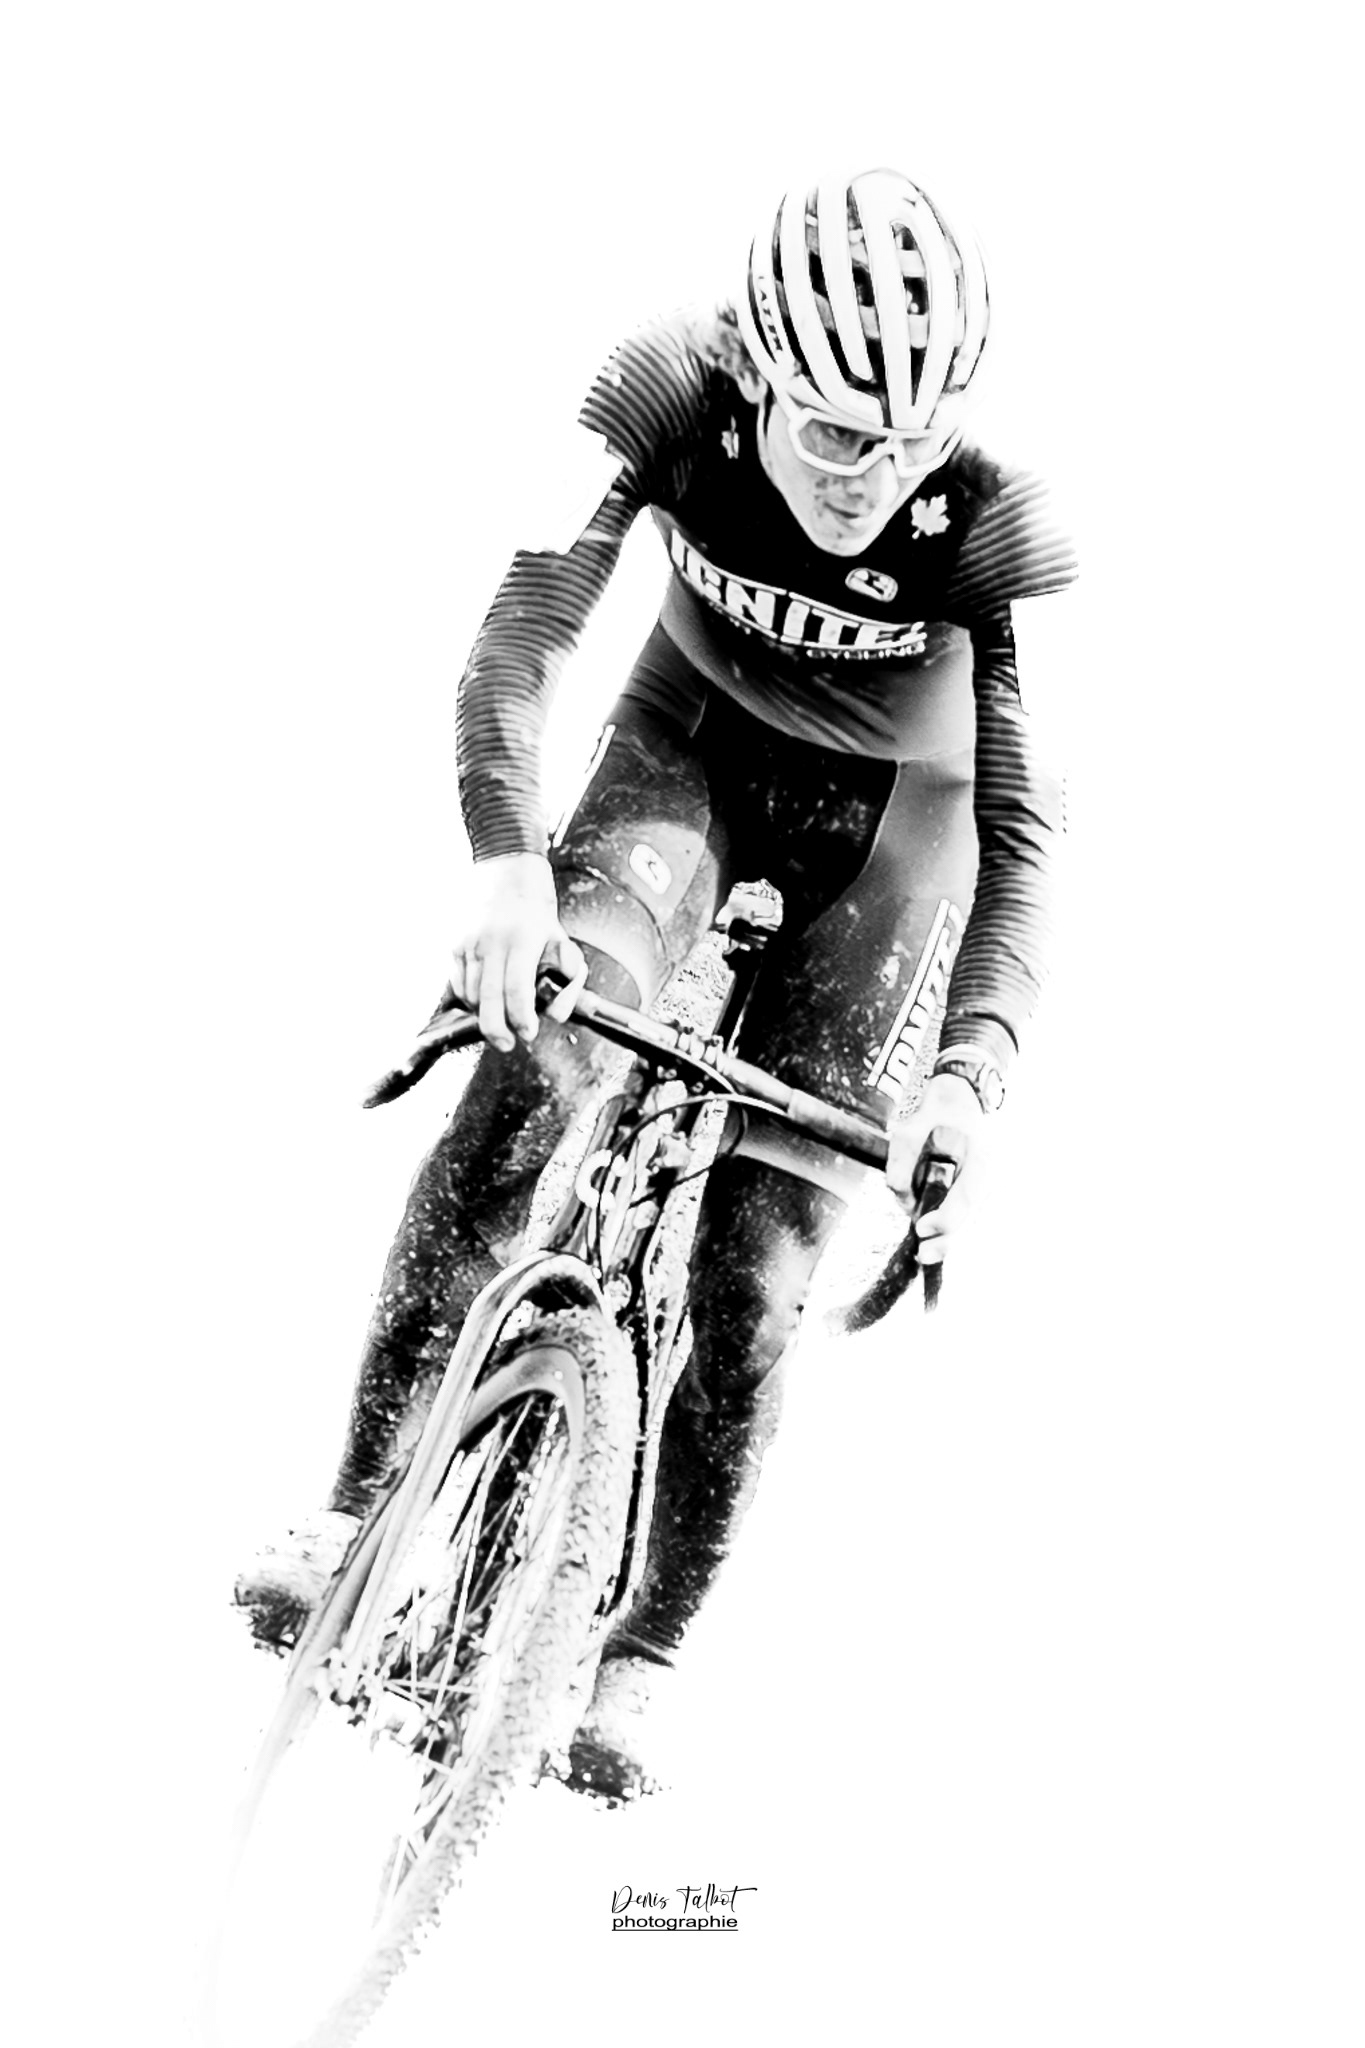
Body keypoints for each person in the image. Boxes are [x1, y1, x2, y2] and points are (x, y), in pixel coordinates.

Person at [236, 167, 1076, 1797]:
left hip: (888, 850)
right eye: (833, 433)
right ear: (752, 372)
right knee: (537, 1063)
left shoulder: (991, 523)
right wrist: (504, 865)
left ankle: (642, 1655)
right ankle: (349, 1509)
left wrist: (970, 1077)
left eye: (907, 444)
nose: (870, 478)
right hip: (676, 764)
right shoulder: (664, 388)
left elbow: (1025, 835)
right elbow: (523, 631)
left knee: (758, 1271)